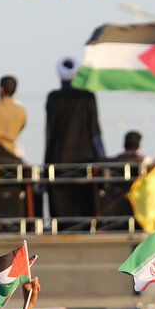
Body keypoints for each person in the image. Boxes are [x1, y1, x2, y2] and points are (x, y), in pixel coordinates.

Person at [45, 56, 105, 218]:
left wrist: (47, 163)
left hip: (58, 159)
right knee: (83, 205)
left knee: (61, 209)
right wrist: (102, 158)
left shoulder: (53, 98)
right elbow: (95, 130)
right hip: (84, 159)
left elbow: (49, 132)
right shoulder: (87, 97)